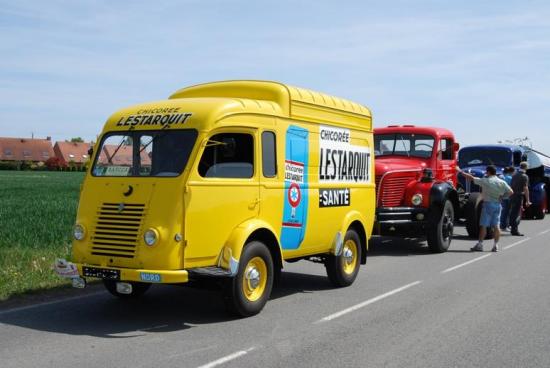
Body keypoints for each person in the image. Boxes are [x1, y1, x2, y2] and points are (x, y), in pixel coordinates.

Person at [459, 165, 513, 252]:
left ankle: (480, 244)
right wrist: (503, 197)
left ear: (488, 172)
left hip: (488, 204)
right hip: (498, 204)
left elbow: (471, 178)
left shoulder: (486, 180)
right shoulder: (501, 182)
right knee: (496, 226)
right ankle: (495, 245)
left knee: (483, 225)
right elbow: (511, 192)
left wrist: (461, 172)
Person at [509, 161, 532, 236]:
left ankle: (512, 228)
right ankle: (514, 230)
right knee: (516, 213)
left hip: (512, 195)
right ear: (526, 167)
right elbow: (526, 188)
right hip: (519, 196)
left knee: (513, 212)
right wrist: (528, 200)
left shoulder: (514, 175)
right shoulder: (524, 176)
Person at [499, 166, 515, 231]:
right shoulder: (510, 178)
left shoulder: (501, 177)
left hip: (502, 196)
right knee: (506, 212)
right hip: (508, 196)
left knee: (503, 212)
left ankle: (503, 225)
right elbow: (512, 187)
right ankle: (504, 226)